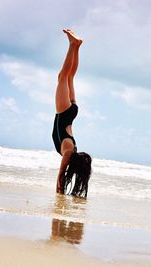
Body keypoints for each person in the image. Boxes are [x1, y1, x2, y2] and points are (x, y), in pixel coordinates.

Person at [52, 29, 92, 198]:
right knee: (62, 76)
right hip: (64, 112)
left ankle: (77, 46)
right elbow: (60, 175)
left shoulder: (72, 149)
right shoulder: (68, 152)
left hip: (71, 111)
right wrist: (59, 195)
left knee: (69, 77)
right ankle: (72, 45)